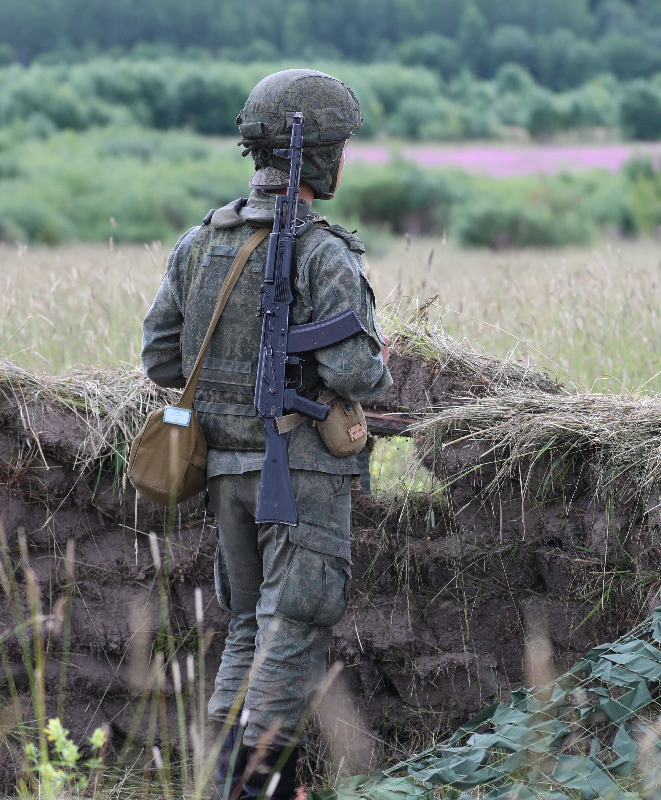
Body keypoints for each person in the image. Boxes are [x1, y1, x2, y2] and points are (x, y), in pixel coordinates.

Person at [140, 69, 392, 800]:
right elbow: (358, 369)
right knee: (296, 625)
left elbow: (161, 358)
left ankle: (222, 782)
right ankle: (252, 789)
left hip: (223, 473)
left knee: (249, 626)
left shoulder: (200, 244)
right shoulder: (323, 251)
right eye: (339, 145)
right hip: (302, 473)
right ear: (318, 157)